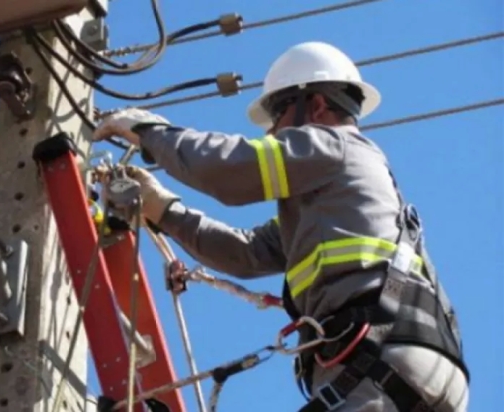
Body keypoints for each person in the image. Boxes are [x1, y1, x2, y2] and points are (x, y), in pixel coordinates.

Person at [91, 42, 470, 411]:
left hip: (376, 360)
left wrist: (152, 133)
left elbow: (230, 169)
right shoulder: (334, 205)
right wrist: (166, 211)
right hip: (411, 364)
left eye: (278, 114)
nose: (272, 132)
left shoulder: (334, 146)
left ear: (317, 105)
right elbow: (245, 252)